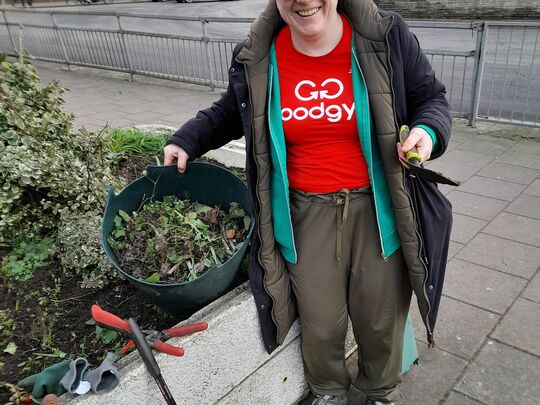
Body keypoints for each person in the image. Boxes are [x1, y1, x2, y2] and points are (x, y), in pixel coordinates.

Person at [164, 0, 452, 404]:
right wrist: (187, 139)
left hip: (380, 210)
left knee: (380, 320)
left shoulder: (384, 36)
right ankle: (329, 392)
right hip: (304, 215)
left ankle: (378, 391)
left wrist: (427, 131)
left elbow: (432, 99)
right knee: (320, 324)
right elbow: (230, 112)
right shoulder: (259, 54)